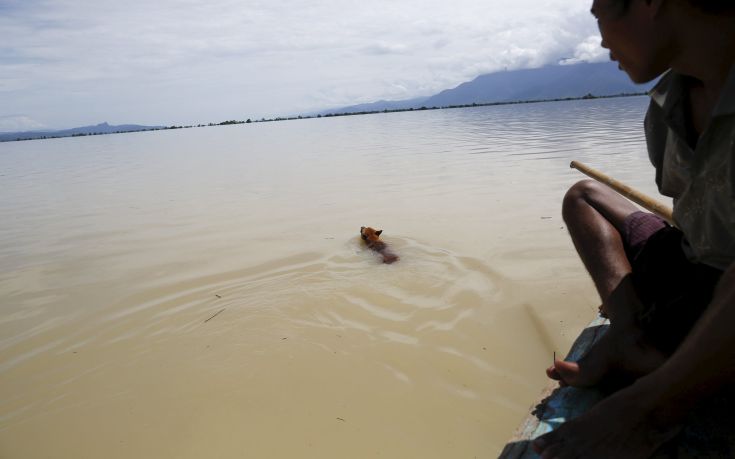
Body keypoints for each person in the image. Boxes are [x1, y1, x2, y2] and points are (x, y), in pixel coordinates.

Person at [532, 0, 735, 457]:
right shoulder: (668, 103)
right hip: (691, 262)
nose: (601, 39)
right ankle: (628, 333)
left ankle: (659, 379)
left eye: (600, 12)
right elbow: (691, 211)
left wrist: (643, 411)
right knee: (584, 196)